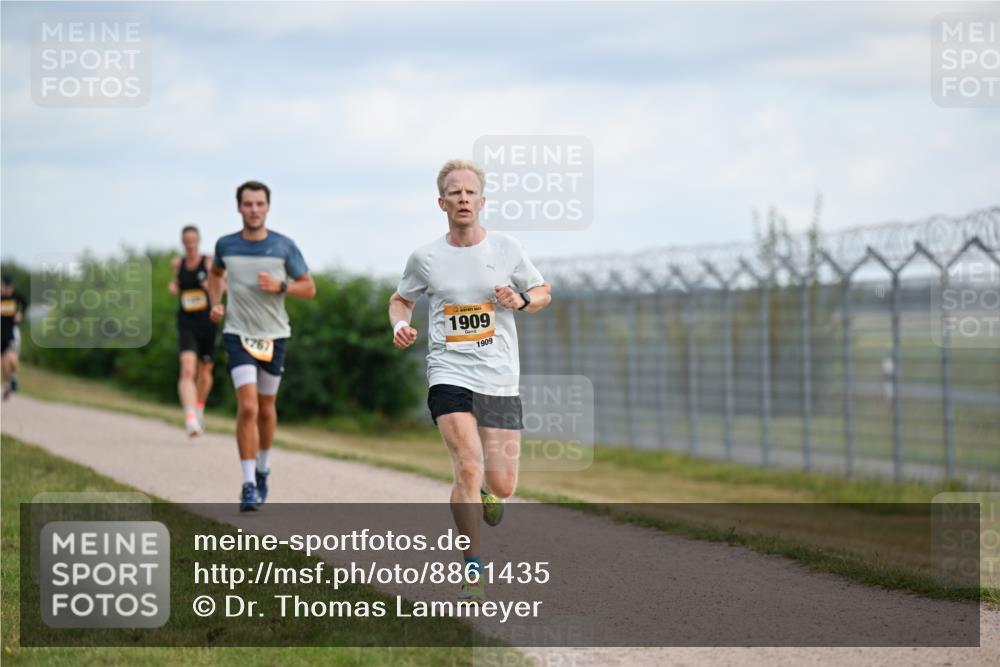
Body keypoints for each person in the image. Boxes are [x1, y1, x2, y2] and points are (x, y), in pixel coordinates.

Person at [388, 159, 552, 601]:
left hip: (498, 375)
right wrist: (399, 325)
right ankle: (473, 566)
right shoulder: (425, 258)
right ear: (442, 202)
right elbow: (400, 299)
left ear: (482, 201)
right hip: (449, 371)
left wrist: (519, 299)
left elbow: (542, 293)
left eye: (470, 192)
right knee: (467, 463)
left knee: (502, 484)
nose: (463, 198)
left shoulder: (506, 248)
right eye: (454, 192)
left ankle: (485, 492)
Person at [208, 181, 316, 512]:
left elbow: (309, 288)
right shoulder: (225, 245)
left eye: (259, 204)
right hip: (237, 334)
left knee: (267, 409)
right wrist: (216, 301)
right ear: (238, 207)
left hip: (274, 336)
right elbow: (215, 274)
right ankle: (248, 484)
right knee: (249, 408)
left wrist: (282, 285)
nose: (253, 210)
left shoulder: (284, 246)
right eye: (248, 204)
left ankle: (263, 467)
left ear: (267, 207)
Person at [168, 225, 220, 436]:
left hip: (207, 322)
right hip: (186, 322)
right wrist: (174, 287)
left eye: (193, 240)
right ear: (182, 242)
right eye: (186, 240)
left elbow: (221, 285)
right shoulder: (178, 263)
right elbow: (177, 284)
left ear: (198, 240)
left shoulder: (209, 261)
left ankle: (199, 407)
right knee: (188, 370)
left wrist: (212, 286)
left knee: (205, 373)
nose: (190, 244)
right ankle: (190, 419)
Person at [1, 275, 28, 400]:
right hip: (2, 332)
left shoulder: (16, 296)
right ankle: (7, 385)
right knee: (3, 361)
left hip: (13, 331)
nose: (5, 289)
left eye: (7, 286)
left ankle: (13, 376)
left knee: (11, 356)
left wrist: (20, 313)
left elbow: (25, 303)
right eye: (3, 286)